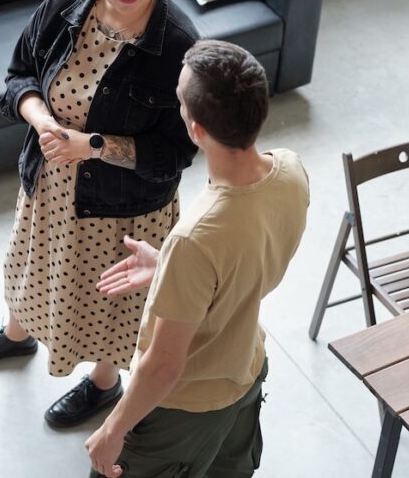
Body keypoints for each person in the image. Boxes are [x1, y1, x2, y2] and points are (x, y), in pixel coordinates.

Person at [0, 0, 200, 427]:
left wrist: (95, 145)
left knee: (108, 302)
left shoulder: (179, 47)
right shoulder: (64, 5)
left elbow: (177, 155)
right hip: (51, 184)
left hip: (124, 210)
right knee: (32, 266)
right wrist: (41, 122)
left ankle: (103, 383)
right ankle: (18, 336)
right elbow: (19, 76)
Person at [83, 40, 310, 478]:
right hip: (246, 368)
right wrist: (171, 269)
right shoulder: (290, 168)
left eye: (180, 102)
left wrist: (113, 429)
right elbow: (247, 262)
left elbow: (164, 366)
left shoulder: (197, 236)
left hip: (187, 407)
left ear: (197, 130)